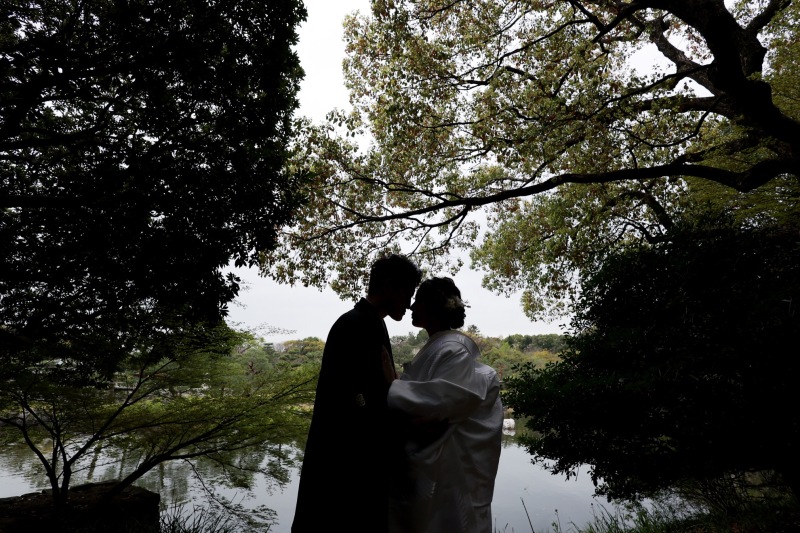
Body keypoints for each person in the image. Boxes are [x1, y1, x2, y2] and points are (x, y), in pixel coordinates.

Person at [291, 254, 422, 533]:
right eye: (407, 293)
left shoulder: (369, 322)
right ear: (388, 285)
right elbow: (355, 397)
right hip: (348, 457)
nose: (409, 303)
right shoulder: (355, 324)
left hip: (356, 452)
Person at [387, 277, 503, 533]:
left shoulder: (452, 351)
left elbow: (437, 408)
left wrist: (390, 389)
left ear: (431, 307)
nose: (411, 307)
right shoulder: (442, 347)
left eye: (417, 301)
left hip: (450, 475)